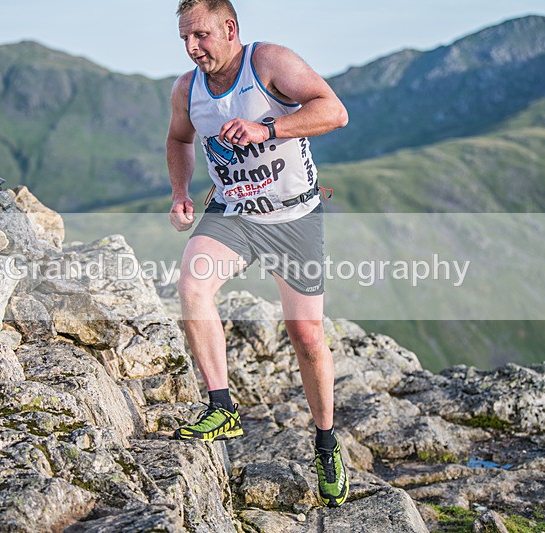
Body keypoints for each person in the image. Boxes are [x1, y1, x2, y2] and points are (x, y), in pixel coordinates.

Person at [166, 0, 350, 508]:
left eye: (201, 35)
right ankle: (220, 405)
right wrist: (180, 191)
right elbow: (179, 137)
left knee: (308, 337)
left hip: (294, 217)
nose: (191, 48)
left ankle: (326, 441)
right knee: (192, 284)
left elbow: (334, 111)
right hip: (234, 212)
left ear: (230, 29)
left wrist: (267, 129)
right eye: (184, 38)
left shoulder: (268, 63)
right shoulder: (187, 88)